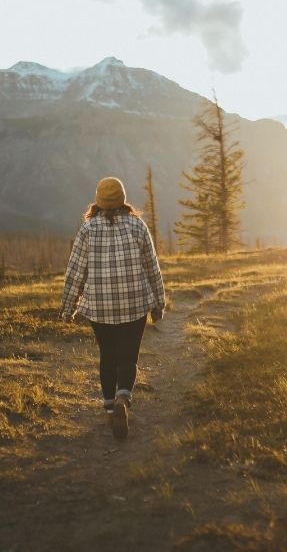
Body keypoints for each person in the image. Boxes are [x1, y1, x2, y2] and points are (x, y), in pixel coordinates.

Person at [60, 176, 166, 439]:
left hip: (100, 306)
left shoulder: (87, 229)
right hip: (135, 302)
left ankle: (109, 410)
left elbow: (75, 271)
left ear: (98, 201)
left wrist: (68, 307)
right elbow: (152, 267)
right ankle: (123, 399)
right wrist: (158, 303)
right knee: (128, 357)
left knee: (108, 356)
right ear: (123, 199)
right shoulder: (137, 225)